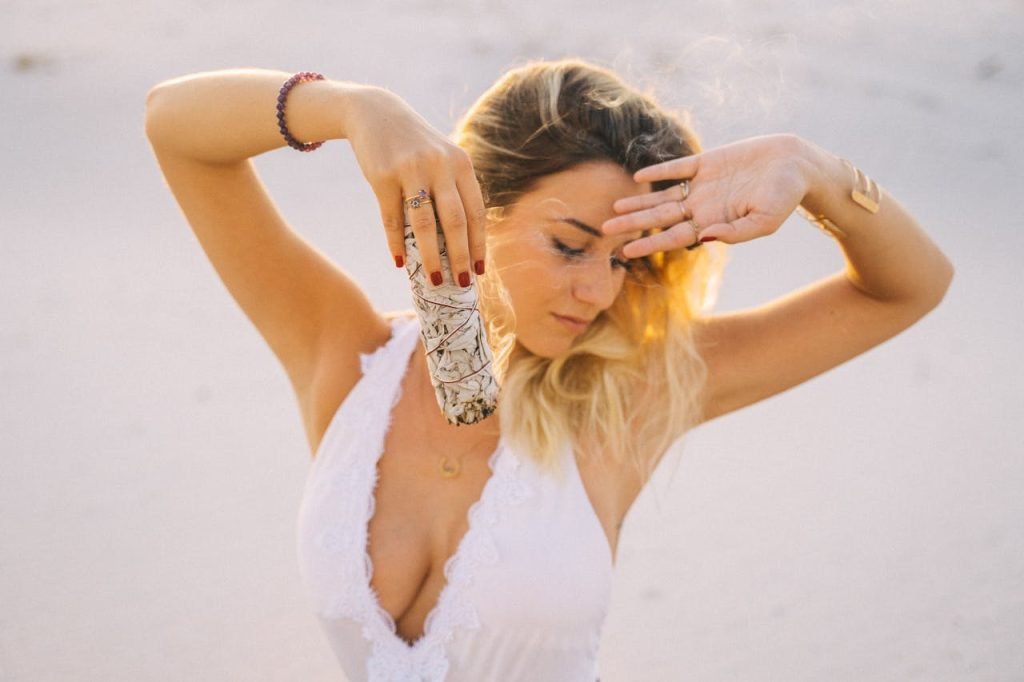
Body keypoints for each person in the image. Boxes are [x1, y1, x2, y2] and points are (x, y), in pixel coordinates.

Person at [144, 59, 953, 682]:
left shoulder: (636, 393)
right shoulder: (348, 357)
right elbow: (173, 126)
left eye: (628, 263)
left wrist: (816, 173)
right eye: (569, 245)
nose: (599, 292)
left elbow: (911, 287)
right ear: (476, 205)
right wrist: (354, 108)